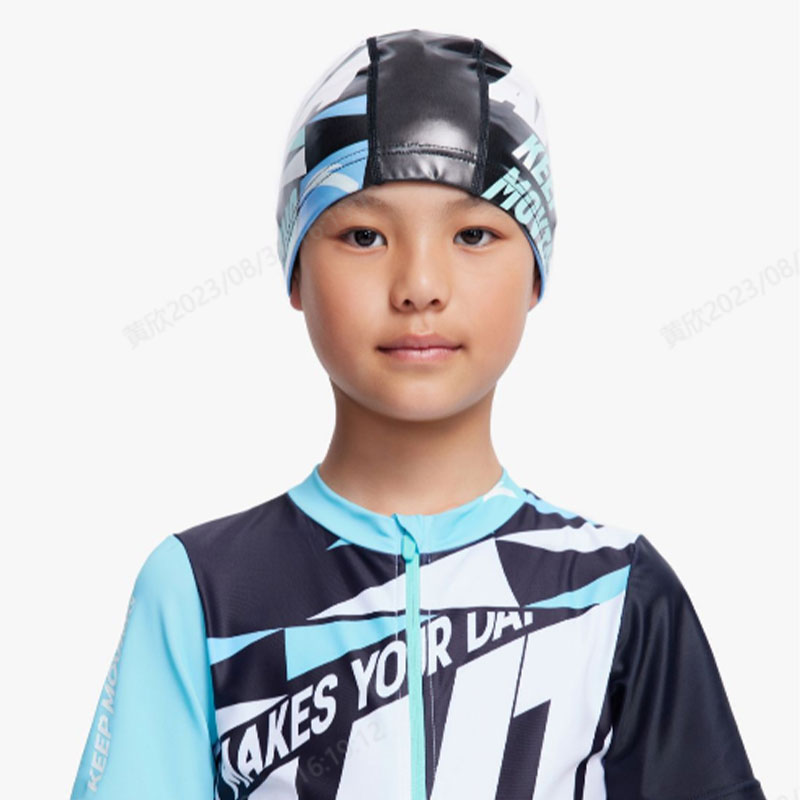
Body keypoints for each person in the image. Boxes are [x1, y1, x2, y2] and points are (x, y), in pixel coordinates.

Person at [69, 27, 766, 800]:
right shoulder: (202, 592)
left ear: (536, 273)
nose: (420, 286)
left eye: (474, 234)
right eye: (364, 235)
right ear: (295, 270)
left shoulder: (616, 590)